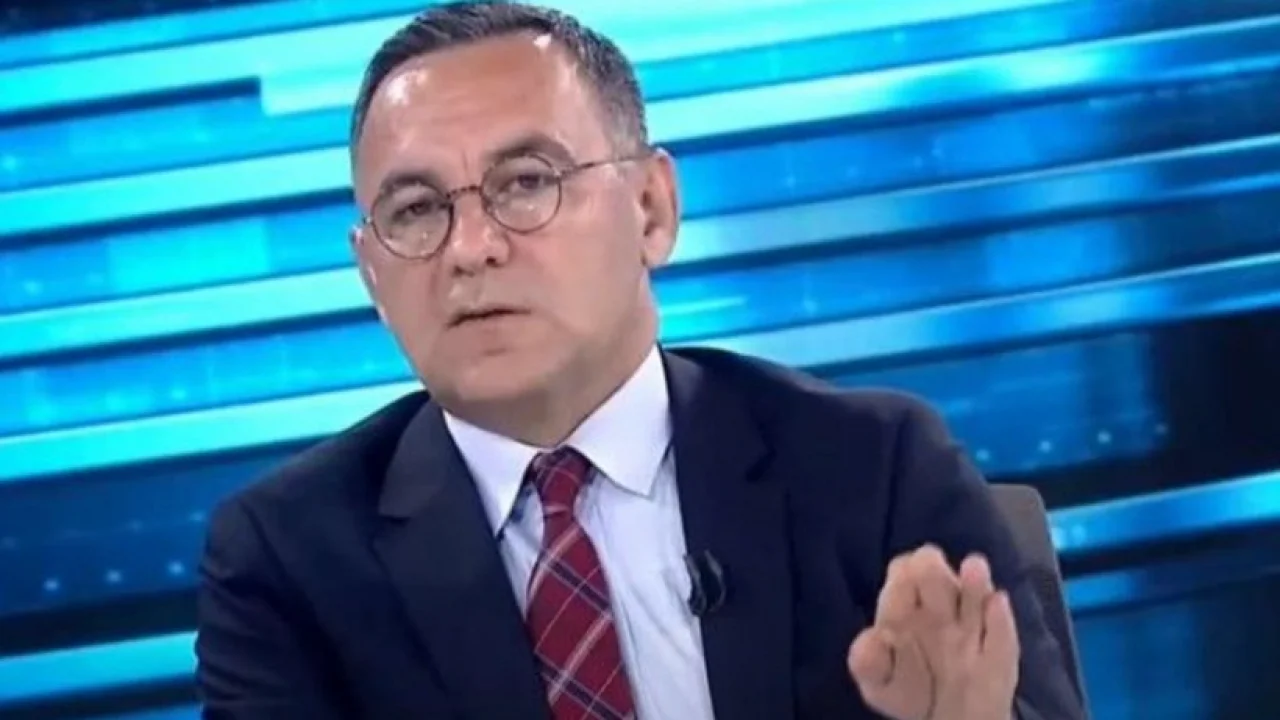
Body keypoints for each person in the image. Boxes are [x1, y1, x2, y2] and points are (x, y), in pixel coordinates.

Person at [194, 2, 1088, 719]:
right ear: (372, 275)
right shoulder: (287, 560)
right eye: (417, 210)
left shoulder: (874, 468)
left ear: (652, 209)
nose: (470, 248)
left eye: (526, 183)